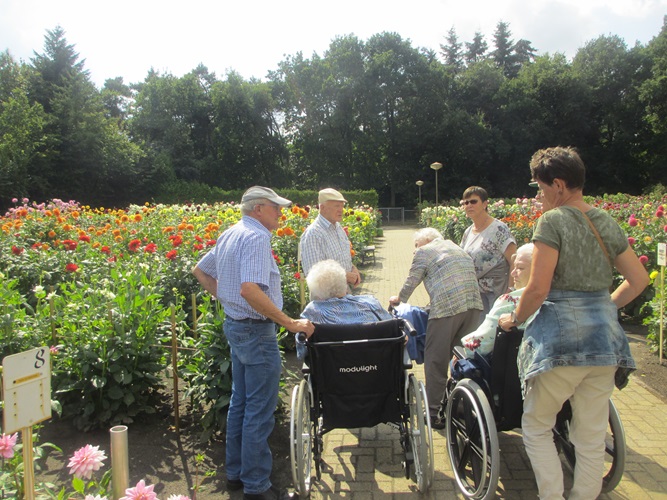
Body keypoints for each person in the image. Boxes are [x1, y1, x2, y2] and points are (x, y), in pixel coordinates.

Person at [497, 147, 649, 500]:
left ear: (560, 185)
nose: (539, 196)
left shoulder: (553, 221)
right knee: (592, 434)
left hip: (561, 343)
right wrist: (603, 307)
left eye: (540, 188)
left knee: (536, 426)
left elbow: (537, 288)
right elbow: (638, 280)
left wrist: (514, 319)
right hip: (605, 344)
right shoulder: (605, 221)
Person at [192, 186, 314, 500]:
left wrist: (227, 300)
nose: (281, 213)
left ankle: (236, 475)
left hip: (236, 327)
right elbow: (249, 289)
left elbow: (201, 271)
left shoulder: (230, 233)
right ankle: (257, 487)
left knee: (241, 403)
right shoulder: (256, 237)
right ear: (258, 208)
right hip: (257, 333)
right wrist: (289, 322)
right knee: (259, 410)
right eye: (276, 208)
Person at [389, 227, 483, 428]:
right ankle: (462, 404)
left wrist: (398, 300)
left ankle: (433, 413)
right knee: (461, 357)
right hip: (474, 306)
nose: (415, 251)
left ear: (426, 241)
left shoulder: (425, 251)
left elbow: (411, 281)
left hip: (447, 309)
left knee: (435, 360)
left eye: (416, 246)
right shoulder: (456, 247)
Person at [461, 243, 536, 357]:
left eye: (520, 268)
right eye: (514, 267)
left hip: (506, 369)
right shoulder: (558, 302)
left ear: (539, 271)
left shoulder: (509, 301)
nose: (513, 273)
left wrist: (462, 352)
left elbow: (481, 343)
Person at [460, 186, 517, 315]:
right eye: (465, 202)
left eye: (473, 202)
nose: (469, 205)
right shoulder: (468, 232)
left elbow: (514, 260)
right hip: (475, 294)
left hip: (496, 293)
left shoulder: (498, 229)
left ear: (485, 204)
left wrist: (511, 289)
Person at [299, 188, 361, 289]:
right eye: (337, 206)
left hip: (344, 293)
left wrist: (353, 268)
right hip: (326, 300)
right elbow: (314, 275)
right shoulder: (313, 234)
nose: (341, 210)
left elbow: (342, 258)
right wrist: (344, 276)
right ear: (322, 207)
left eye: (342, 206)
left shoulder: (338, 228)